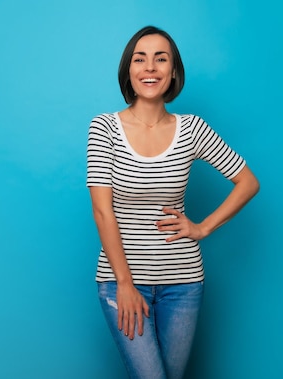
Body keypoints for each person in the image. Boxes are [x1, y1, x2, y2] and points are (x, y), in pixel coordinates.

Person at [86, 26, 260, 379]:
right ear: (128, 70)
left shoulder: (192, 129)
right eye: (140, 58)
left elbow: (248, 182)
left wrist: (203, 227)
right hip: (122, 282)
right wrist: (124, 284)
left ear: (173, 71)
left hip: (184, 283)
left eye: (160, 59)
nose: (150, 67)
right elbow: (103, 211)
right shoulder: (104, 128)